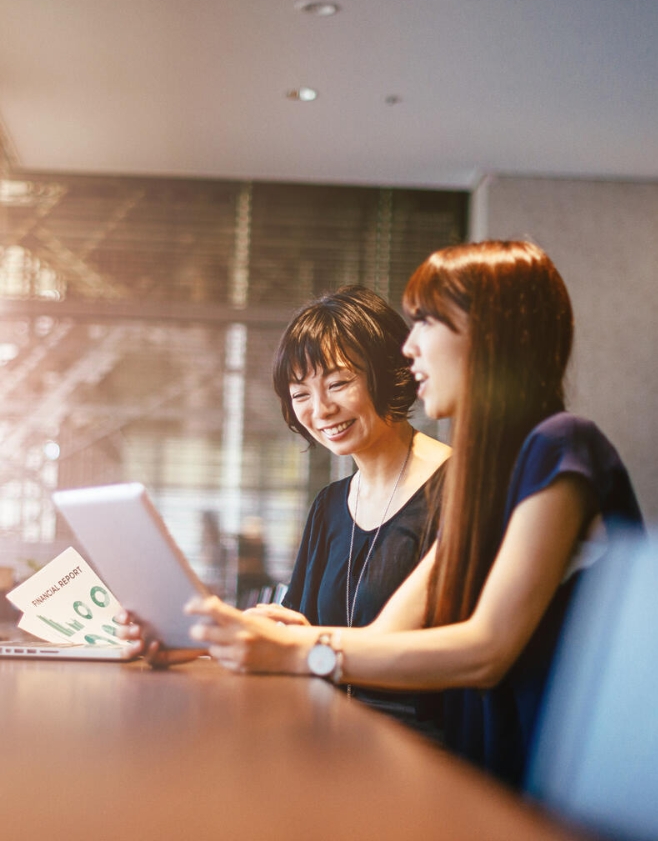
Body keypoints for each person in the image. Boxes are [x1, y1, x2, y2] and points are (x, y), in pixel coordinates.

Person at [184, 240, 644, 787]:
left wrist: (298, 648)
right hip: (464, 775)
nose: (409, 349)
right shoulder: (490, 475)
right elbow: (383, 635)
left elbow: (485, 652)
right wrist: (201, 636)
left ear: (489, 334)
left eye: (426, 323)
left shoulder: (561, 446)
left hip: (540, 787)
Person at [121, 285, 450, 733]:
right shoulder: (330, 505)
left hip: (417, 744)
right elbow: (294, 633)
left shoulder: (457, 487)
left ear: (389, 371)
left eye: (338, 383)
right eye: (301, 395)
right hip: (324, 731)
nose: (321, 410)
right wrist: (192, 641)